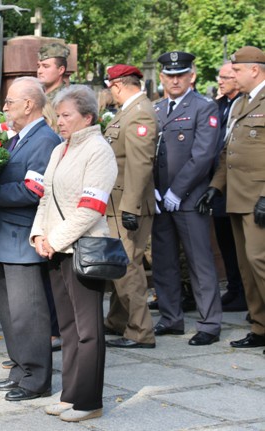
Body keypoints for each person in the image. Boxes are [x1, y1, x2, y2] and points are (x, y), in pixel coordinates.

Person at [0, 76, 61, 402]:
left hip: (22, 239)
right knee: (9, 312)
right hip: (2, 237)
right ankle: (20, 369)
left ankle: (37, 379)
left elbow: (34, 190)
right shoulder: (14, 138)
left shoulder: (44, 140)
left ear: (29, 104)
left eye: (9, 102)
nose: (4, 107)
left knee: (28, 314)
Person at [31, 85, 116, 422]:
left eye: (66, 116)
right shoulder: (61, 149)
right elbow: (45, 197)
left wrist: (56, 239)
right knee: (67, 327)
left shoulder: (98, 150)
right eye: (59, 115)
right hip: (56, 248)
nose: (60, 121)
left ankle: (89, 401)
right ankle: (70, 394)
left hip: (83, 248)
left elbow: (91, 207)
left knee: (88, 329)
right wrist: (39, 234)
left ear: (87, 117)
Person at [196, 46, 265, 353]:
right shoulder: (241, 104)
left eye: (236, 70)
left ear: (255, 69)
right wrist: (216, 186)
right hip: (237, 196)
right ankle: (260, 327)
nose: (231, 75)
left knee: (259, 261)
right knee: (246, 266)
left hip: (258, 197)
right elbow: (228, 152)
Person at [152, 51, 222, 346]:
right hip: (159, 199)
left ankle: (209, 323)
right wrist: (153, 190)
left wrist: (176, 191)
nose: (175, 79)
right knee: (164, 261)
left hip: (189, 198)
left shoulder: (204, 107)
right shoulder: (156, 109)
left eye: (181, 74)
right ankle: (171, 317)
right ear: (162, 78)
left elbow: (203, 155)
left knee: (199, 262)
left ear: (191, 76)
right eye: (169, 75)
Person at [101, 65, 158, 349]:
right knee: (119, 266)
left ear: (119, 85)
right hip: (117, 202)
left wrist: (132, 208)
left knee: (128, 268)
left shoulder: (140, 113)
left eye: (110, 87)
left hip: (127, 204)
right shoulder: (128, 112)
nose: (110, 93)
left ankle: (140, 331)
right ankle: (117, 320)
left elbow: (140, 164)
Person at [210, 63, 246, 312]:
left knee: (243, 244)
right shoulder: (219, 104)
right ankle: (235, 289)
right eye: (220, 77)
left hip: (241, 184)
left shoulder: (246, 103)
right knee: (224, 237)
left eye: (227, 77)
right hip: (220, 181)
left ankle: (246, 292)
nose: (221, 81)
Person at [37, 41, 70, 105]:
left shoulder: (67, 99)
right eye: (38, 66)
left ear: (61, 70)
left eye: (46, 66)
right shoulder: (36, 96)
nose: (39, 71)